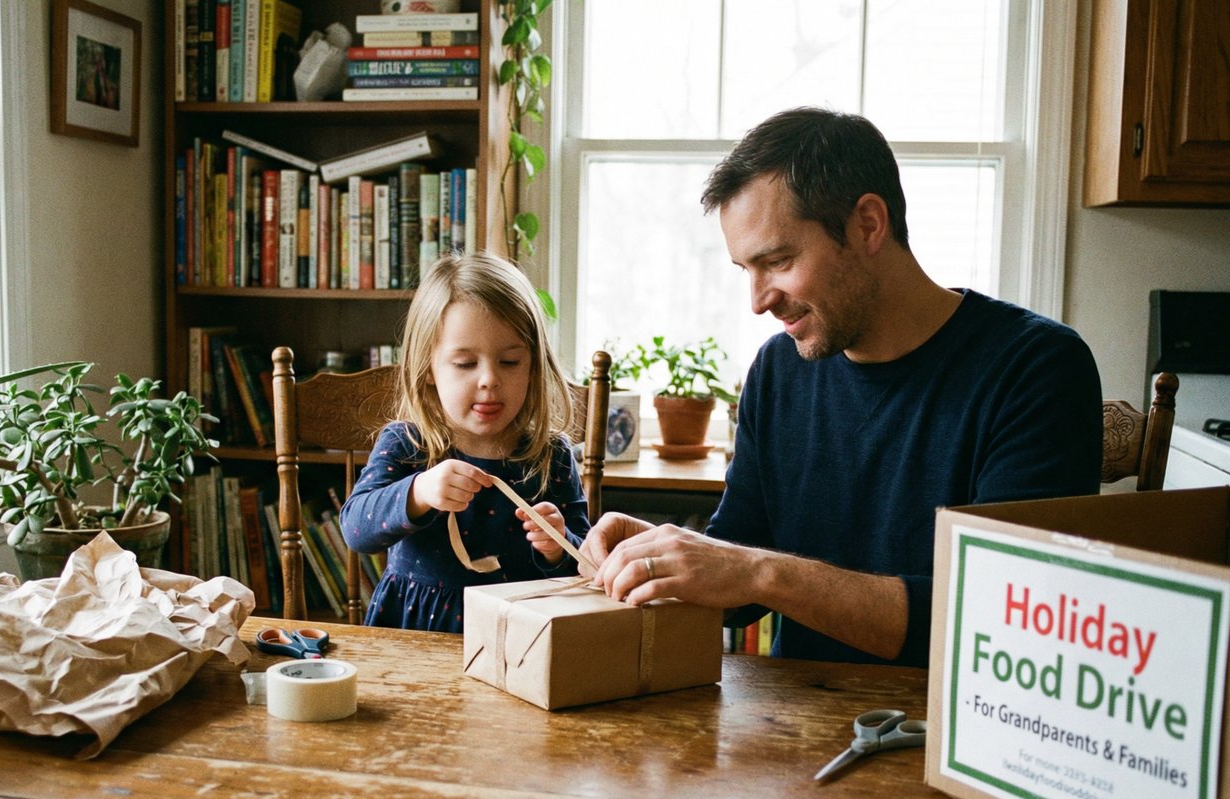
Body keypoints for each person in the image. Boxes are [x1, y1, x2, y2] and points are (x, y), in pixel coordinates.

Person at [581, 107, 1103, 667]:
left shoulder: (1036, 368)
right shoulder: (779, 371)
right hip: (790, 723)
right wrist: (661, 555)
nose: (758, 300)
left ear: (868, 226)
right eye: (745, 271)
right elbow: (738, 586)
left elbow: (1000, 621)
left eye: (777, 261)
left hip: (946, 731)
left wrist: (759, 571)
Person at [340, 252, 591, 632]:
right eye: (465, 364)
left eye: (509, 362)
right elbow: (356, 530)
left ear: (534, 366)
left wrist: (558, 544)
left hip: (518, 635)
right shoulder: (408, 444)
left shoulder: (550, 456)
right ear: (428, 369)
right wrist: (418, 492)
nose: (489, 379)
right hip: (417, 631)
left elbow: (583, 559)